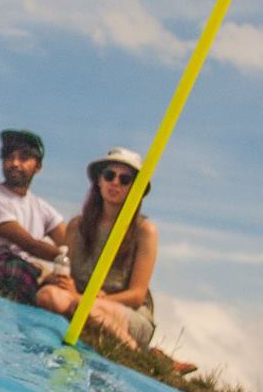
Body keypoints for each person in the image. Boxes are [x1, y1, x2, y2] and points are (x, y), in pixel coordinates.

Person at [47, 147, 196, 372]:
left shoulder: (145, 230)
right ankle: (135, 348)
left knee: (86, 309)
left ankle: (145, 360)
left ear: (134, 189)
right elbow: (69, 273)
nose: (115, 183)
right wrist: (61, 282)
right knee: (47, 295)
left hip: (125, 310)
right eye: (109, 175)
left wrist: (94, 298)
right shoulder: (77, 225)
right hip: (79, 297)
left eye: (125, 179)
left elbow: (136, 296)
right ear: (99, 181)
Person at [0, 131, 66, 303]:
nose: (14, 163)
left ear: (38, 167)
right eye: (9, 157)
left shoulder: (42, 208)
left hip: (28, 271)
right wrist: (64, 259)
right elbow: (30, 245)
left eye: (23, 158)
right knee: (17, 271)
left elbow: (69, 242)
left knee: (61, 288)